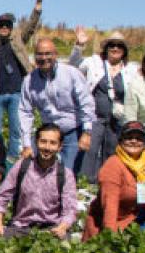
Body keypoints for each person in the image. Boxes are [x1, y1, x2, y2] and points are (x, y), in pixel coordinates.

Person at [0, 0, 45, 163]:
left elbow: (31, 25)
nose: (4, 27)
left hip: (18, 92)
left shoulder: (18, 40)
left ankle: (13, 159)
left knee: (17, 128)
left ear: (11, 27)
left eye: (7, 25)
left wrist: (38, 2)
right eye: (1, 24)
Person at [71, 29, 142, 184]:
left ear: (124, 51)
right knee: (89, 152)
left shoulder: (132, 69)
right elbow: (73, 66)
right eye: (111, 45)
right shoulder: (94, 62)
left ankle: (108, 186)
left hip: (117, 121)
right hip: (95, 118)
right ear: (106, 48)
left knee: (112, 154)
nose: (115, 48)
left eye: (119, 46)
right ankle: (85, 186)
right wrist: (79, 46)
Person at [86, 120, 145, 237]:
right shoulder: (112, 165)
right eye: (129, 137)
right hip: (116, 222)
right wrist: (110, 236)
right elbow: (110, 204)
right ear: (120, 141)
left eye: (139, 138)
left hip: (142, 216)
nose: (134, 141)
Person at [17, 37, 96, 172]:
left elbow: (86, 102)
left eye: (48, 53)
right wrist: (26, 143)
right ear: (34, 56)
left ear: (56, 55)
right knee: (35, 170)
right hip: (48, 132)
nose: (44, 58)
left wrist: (87, 132)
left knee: (68, 173)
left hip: (73, 132)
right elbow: (25, 112)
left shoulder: (71, 74)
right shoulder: (29, 80)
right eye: (40, 54)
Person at [0, 123, 80, 239]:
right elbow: (2, 197)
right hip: (20, 227)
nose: (47, 147)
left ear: (60, 146)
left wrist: (62, 227)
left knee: (66, 245)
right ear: (36, 142)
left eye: (53, 143)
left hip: (51, 229)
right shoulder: (22, 166)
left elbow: (70, 209)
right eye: (43, 141)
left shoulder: (65, 174)